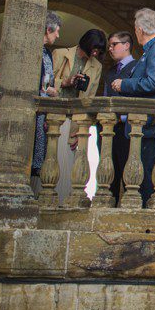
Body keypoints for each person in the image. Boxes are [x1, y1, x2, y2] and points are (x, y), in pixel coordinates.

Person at [112, 8, 155, 206]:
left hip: (150, 125)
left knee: (145, 182)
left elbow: (154, 82)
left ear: (140, 30)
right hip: (148, 125)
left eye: (135, 29)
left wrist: (123, 84)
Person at [51, 28, 107, 204]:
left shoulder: (96, 66)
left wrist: (84, 128)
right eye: (94, 48)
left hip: (76, 122)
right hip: (55, 116)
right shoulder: (60, 54)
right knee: (53, 160)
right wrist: (66, 82)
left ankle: (63, 203)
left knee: (70, 164)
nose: (95, 52)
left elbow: (90, 98)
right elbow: (47, 83)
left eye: (99, 50)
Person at [103, 31, 137, 205]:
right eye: (109, 45)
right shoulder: (110, 71)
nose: (110, 48)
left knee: (127, 172)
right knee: (109, 174)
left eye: (114, 44)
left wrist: (122, 117)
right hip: (108, 129)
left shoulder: (136, 68)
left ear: (126, 45)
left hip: (126, 129)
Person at [31, 12, 61, 197]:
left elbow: (46, 79)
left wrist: (51, 89)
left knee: (39, 157)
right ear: (48, 29)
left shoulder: (47, 52)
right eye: (56, 31)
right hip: (32, 110)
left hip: (43, 111)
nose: (58, 35)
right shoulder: (32, 50)